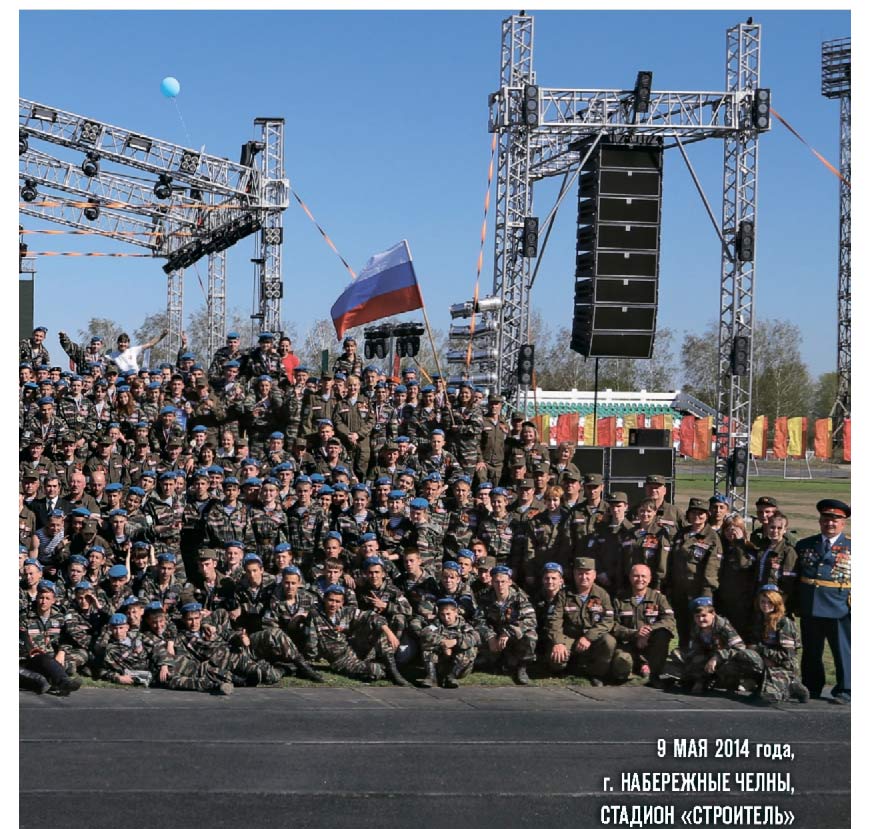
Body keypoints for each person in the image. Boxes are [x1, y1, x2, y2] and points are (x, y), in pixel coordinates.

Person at [795, 498, 851, 704]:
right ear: (820, 521)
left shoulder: (853, 547)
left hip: (840, 607)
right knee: (811, 650)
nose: (830, 523)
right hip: (811, 606)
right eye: (826, 519)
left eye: (835, 520)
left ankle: (846, 689)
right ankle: (811, 686)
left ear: (843, 523)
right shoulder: (805, 545)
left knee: (843, 650)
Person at [545, 557, 629, 686]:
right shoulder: (563, 594)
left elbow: (608, 620)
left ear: (594, 575)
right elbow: (554, 620)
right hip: (570, 637)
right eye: (579, 573)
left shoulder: (602, 594)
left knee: (609, 641)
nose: (583, 577)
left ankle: (596, 673)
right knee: (557, 663)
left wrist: (589, 637)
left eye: (587, 573)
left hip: (593, 639)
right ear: (574, 574)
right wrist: (558, 642)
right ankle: (569, 667)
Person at [659, 596, 748, 695]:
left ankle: (728, 683)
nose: (701, 619)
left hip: (723, 660)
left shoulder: (724, 626)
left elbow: (740, 647)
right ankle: (698, 679)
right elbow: (695, 649)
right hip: (706, 658)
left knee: (737, 661)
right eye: (697, 616)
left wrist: (717, 657)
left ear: (713, 614)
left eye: (704, 615)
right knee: (677, 654)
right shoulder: (696, 628)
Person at [743, 585, 810, 704]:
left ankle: (792, 686)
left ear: (777, 604)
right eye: (763, 602)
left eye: (770, 602)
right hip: (765, 660)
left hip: (783, 665)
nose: (765, 605)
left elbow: (788, 654)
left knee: (768, 699)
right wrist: (762, 655)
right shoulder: (759, 620)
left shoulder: (784, 623)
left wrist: (762, 652)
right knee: (744, 656)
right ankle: (760, 685)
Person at [613, 563, 675, 684]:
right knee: (622, 665)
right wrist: (635, 634)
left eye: (643, 576)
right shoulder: (619, 599)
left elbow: (669, 620)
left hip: (651, 644)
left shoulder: (659, 598)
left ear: (650, 578)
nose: (640, 579)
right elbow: (613, 624)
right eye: (636, 576)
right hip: (628, 643)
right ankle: (637, 667)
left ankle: (654, 673)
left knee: (663, 634)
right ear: (630, 577)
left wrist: (648, 631)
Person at [418, 597, 481, 688]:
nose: (446, 618)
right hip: (440, 663)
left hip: (459, 666)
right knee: (427, 645)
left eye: (448, 614)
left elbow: (475, 637)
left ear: (456, 612)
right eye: (442, 614)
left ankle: (451, 677)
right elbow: (425, 634)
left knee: (470, 648)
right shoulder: (436, 624)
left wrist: (455, 642)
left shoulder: (464, 626)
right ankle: (431, 677)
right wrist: (443, 643)